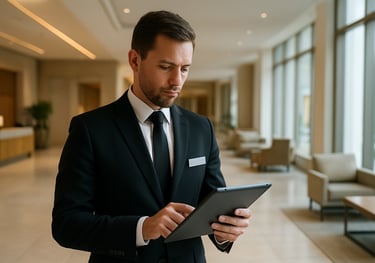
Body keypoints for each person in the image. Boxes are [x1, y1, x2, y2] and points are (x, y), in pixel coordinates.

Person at [52, 10, 251, 263]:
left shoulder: (202, 128)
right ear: (135, 60)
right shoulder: (90, 129)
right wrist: (142, 228)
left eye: (185, 68)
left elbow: (209, 203)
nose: (177, 80)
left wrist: (225, 231)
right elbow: (66, 224)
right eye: (166, 67)